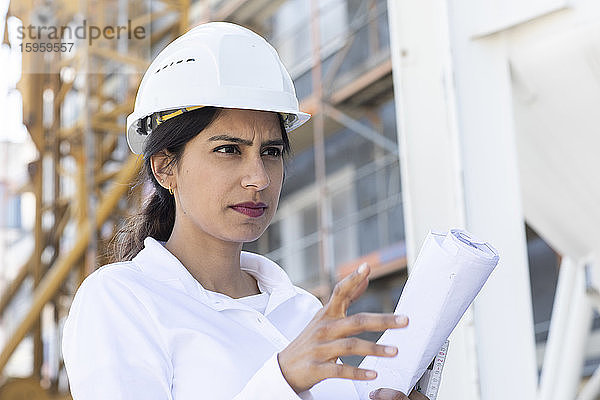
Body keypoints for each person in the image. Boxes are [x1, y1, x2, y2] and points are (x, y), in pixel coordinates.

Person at [61, 22, 429, 400]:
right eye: (228, 150)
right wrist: (282, 379)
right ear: (164, 167)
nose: (258, 179)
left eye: (270, 153)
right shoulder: (121, 301)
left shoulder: (302, 311)